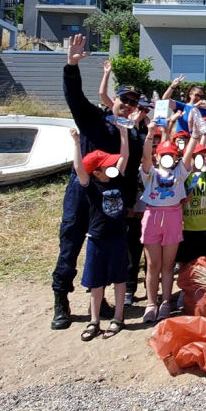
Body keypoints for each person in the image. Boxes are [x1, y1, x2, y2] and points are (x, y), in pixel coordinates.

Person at [52, 34, 143, 331]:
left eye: (133, 103)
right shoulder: (93, 118)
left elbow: (129, 172)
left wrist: (128, 204)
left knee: (105, 250)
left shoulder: (130, 135)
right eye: (124, 100)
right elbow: (74, 97)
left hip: (111, 201)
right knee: (70, 243)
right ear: (113, 99)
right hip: (83, 191)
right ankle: (61, 300)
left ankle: (100, 301)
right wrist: (71, 66)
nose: (128, 106)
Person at [69, 123, 130, 341]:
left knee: (120, 279)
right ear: (96, 171)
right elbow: (78, 167)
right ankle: (94, 321)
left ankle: (118, 317)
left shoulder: (117, 179)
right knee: (96, 282)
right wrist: (77, 142)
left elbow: (124, 156)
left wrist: (124, 134)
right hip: (96, 239)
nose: (113, 166)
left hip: (118, 238)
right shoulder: (91, 186)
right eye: (107, 165)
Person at [138, 118, 194, 324]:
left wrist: (196, 134)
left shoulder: (180, 172)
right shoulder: (150, 173)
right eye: (164, 155)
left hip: (173, 217)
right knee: (153, 264)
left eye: (172, 155)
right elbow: (145, 157)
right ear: (158, 156)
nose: (168, 158)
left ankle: (166, 303)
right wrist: (151, 134)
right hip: (152, 217)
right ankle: (151, 303)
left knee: (168, 266)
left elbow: (188, 153)